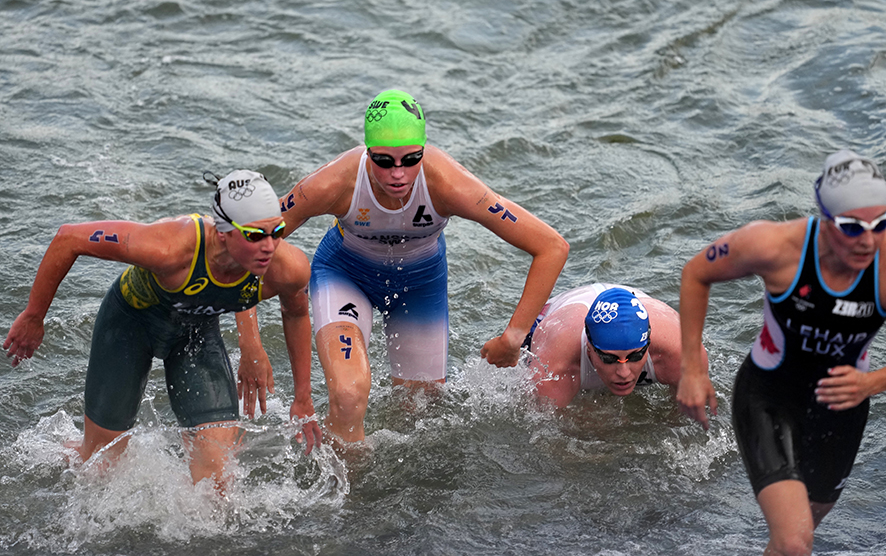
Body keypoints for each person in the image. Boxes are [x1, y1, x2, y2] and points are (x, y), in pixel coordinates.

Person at [250, 89, 569, 445]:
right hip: (345, 275)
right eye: (384, 161)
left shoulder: (450, 184)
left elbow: (551, 247)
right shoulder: (334, 183)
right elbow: (248, 243)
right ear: (367, 153)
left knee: (422, 416)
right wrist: (251, 344)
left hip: (420, 286)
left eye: (411, 159)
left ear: (423, 151)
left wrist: (513, 337)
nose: (398, 174)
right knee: (349, 393)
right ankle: (351, 493)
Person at [3, 170, 322, 491]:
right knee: (100, 469)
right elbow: (68, 238)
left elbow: (295, 313)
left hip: (194, 335)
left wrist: (303, 397)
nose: (270, 246)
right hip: (129, 327)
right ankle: (55, 453)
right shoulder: (170, 247)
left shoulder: (288, 268)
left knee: (218, 480)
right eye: (255, 235)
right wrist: (33, 316)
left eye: (277, 231)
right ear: (223, 232)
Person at [677, 149, 886, 556]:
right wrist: (693, 367)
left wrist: (873, 382)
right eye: (852, 227)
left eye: (880, 223)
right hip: (768, 397)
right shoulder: (774, 246)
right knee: (796, 541)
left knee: (796, 536)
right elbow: (696, 273)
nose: (868, 240)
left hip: (842, 410)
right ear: (825, 218)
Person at [525, 283, 704, 407]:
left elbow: (685, 418)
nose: (624, 373)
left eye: (635, 356)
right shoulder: (555, 365)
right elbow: (547, 438)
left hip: (636, 302)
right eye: (608, 358)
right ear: (589, 349)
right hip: (560, 312)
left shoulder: (681, 355)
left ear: (648, 345)